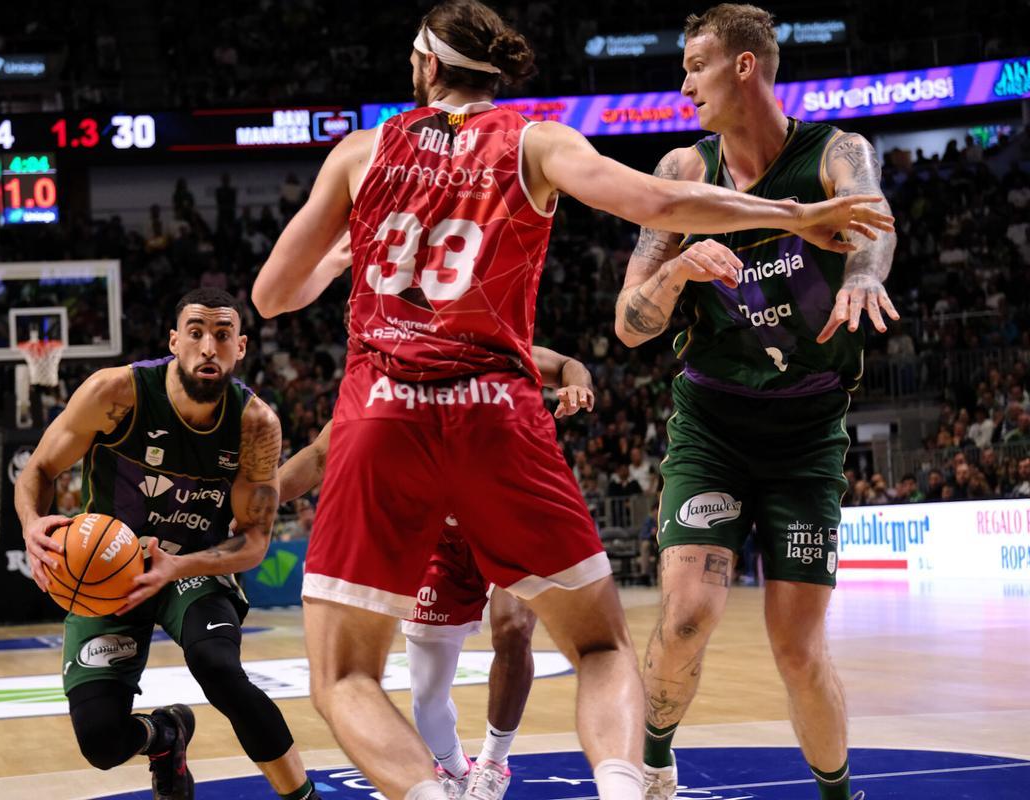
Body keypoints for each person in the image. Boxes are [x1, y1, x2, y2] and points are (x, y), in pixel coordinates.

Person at [250, 2, 889, 797]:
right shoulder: (537, 140)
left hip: (386, 410)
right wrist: (796, 216)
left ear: (423, 66)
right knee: (600, 648)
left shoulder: (361, 151)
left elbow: (272, 295)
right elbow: (654, 208)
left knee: (345, 675)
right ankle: (626, 784)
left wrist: (342, 262)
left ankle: (433, 791)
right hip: (499, 412)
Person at [611, 6, 897, 800]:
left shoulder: (835, 151)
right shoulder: (683, 173)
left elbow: (871, 216)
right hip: (714, 425)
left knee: (799, 650)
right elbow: (629, 322)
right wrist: (678, 272)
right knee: (687, 617)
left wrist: (866, 273)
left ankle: (841, 793)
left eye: (695, 64)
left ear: (744, 66)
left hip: (808, 433)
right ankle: (656, 757)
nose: (683, 83)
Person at [17, 288, 320, 800]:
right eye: (196, 333)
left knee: (218, 667)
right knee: (101, 742)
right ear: (174, 342)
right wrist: (31, 524)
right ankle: (166, 735)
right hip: (108, 571)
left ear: (240, 348)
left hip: (193, 565)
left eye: (222, 335)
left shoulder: (255, 425)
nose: (208, 347)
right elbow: (40, 469)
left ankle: (302, 796)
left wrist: (176, 567)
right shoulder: (116, 393)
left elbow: (253, 542)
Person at [278, 346, 594, 800]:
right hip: (442, 543)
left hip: (510, 515)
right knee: (426, 702)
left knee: (512, 627)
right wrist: (259, 500)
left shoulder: (488, 347)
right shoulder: (383, 381)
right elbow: (318, 455)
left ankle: (495, 762)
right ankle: (455, 769)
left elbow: (567, 364)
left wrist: (577, 382)